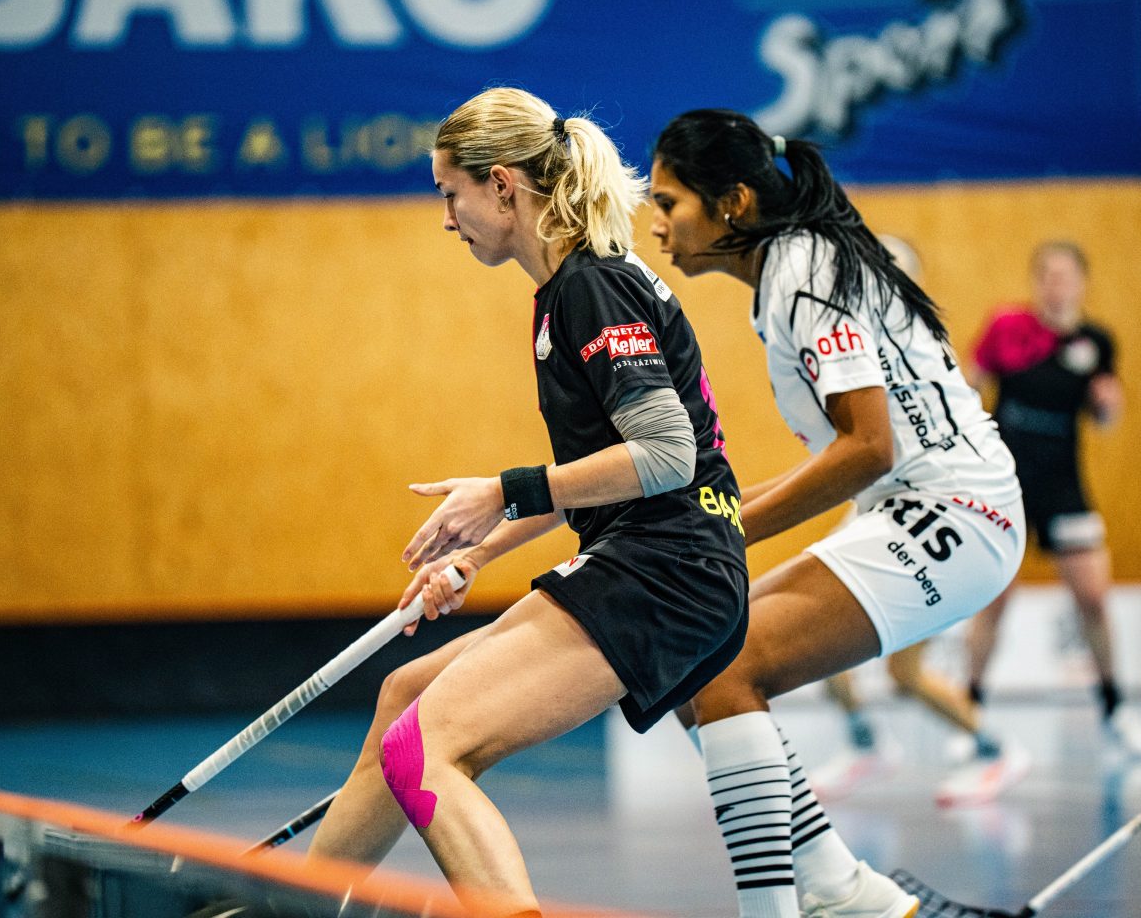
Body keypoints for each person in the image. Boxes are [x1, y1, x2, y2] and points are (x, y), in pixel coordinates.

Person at [300, 87, 749, 918]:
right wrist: (480, 548)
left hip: (668, 570)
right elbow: (600, 467)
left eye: (450, 193)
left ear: (502, 184)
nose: (446, 217)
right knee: (404, 698)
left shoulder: (594, 288)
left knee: (424, 749)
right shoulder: (570, 293)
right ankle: (291, 906)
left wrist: (502, 491)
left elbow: (662, 456)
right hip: (651, 557)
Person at [650, 110, 1025, 918]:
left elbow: (867, 449)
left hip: (955, 512)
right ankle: (842, 892)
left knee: (723, 663)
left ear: (734, 204)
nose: (657, 224)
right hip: (912, 508)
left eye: (671, 203)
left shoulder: (804, 269)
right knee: (690, 661)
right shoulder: (788, 272)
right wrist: (703, 519)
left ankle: (789, 907)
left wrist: (728, 530)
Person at [809, 237, 1028, 809]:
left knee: (904, 675)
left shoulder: (919, 350)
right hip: (874, 505)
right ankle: (866, 744)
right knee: (814, 635)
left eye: (890, 272)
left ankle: (994, 750)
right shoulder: (847, 345)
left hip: (932, 517)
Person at [965, 242, 1141, 758]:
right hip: (1006, 482)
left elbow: (1105, 416)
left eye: (1066, 275)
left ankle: (1116, 709)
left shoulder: (1095, 341)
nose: (1057, 284)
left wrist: (1109, 408)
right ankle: (970, 712)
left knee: (1093, 598)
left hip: (1063, 481)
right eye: (1048, 275)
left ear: (1081, 282)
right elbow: (968, 381)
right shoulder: (1008, 329)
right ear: (1037, 282)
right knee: (995, 599)